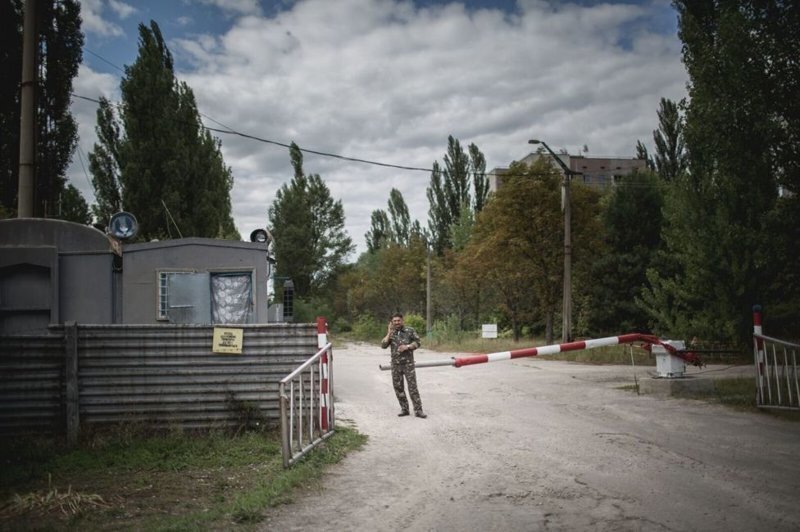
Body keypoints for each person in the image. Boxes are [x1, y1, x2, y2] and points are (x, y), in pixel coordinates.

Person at [381, 312, 427, 418]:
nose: (397, 322)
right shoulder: (391, 334)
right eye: (394, 321)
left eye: (398, 320)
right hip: (395, 365)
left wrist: (408, 346)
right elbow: (383, 345)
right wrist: (388, 333)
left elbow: (418, 342)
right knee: (398, 387)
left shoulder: (409, 330)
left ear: (402, 320)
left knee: (412, 388)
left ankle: (418, 410)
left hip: (408, 364)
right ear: (391, 322)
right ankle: (404, 409)